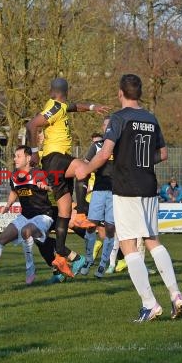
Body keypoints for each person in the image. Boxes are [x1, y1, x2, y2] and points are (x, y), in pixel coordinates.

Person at [76, 74, 182, 322]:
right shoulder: (150, 118)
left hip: (126, 187)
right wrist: (143, 162)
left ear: (120, 93)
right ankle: (176, 294)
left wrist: (86, 169)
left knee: (127, 244)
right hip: (149, 185)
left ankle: (150, 305)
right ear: (140, 93)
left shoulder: (119, 117)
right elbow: (163, 153)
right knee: (152, 240)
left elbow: (105, 153)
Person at [26, 77, 110, 278]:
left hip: (54, 162)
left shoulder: (60, 106)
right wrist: (35, 152)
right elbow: (31, 125)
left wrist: (91, 106)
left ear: (52, 90)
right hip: (55, 157)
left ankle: (61, 255)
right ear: (66, 91)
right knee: (85, 168)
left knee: (64, 211)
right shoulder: (55, 107)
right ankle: (81, 213)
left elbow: (74, 107)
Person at [0, 145, 56, 286]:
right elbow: (14, 192)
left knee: (26, 231)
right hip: (26, 216)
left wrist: (46, 187)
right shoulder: (14, 176)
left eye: (18, 156)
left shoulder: (38, 173)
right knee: (0, 239)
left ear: (28, 158)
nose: (15, 159)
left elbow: (53, 188)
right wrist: (7, 206)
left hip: (43, 215)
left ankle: (30, 268)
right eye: (15, 156)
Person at [81, 117, 116, 278]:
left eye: (111, 125)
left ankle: (103, 264)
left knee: (110, 228)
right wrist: (84, 186)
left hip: (117, 192)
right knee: (91, 225)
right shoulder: (97, 146)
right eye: (106, 125)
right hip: (99, 190)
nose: (108, 128)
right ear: (103, 128)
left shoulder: (122, 146)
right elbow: (85, 165)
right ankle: (88, 259)